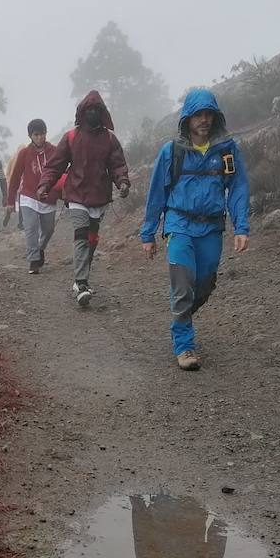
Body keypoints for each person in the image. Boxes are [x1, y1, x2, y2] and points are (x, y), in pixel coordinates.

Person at [138, 88, 251, 370]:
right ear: (187, 118)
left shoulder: (227, 150)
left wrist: (241, 226)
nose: (204, 120)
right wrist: (148, 233)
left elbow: (237, 187)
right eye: (198, 115)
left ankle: (183, 315)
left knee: (204, 284)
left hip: (211, 227)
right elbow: (156, 194)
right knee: (183, 283)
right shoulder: (171, 152)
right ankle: (184, 346)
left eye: (208, 114)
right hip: (179, 225)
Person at [37, 91, 131, 307]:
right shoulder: (71, 137)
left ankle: (83, 277)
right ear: (81, 112)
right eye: (88, 110)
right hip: (76, 195)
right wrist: (45, 185)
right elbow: (55, 165)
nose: (92, 113)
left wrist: (123, 182)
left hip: (99, 196)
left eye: (96, 110)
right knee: (81, 235)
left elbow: (117, 165)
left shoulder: (109, 139)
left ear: (102, 112)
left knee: (92, 239)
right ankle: (81, 283)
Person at [6, 118, 63, 274]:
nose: (39, 138)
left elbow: (63, 172)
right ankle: (33, 260)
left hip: (48, 197)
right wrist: (10, 201)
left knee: (48, 229)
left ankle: (40, 248)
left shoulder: (55, 151)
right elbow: (15, 177)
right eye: (36, 135)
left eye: (42, 134)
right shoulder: (24, 153)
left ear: (46, 134)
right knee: (30, 228)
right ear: (30, 136)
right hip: (28, 197)